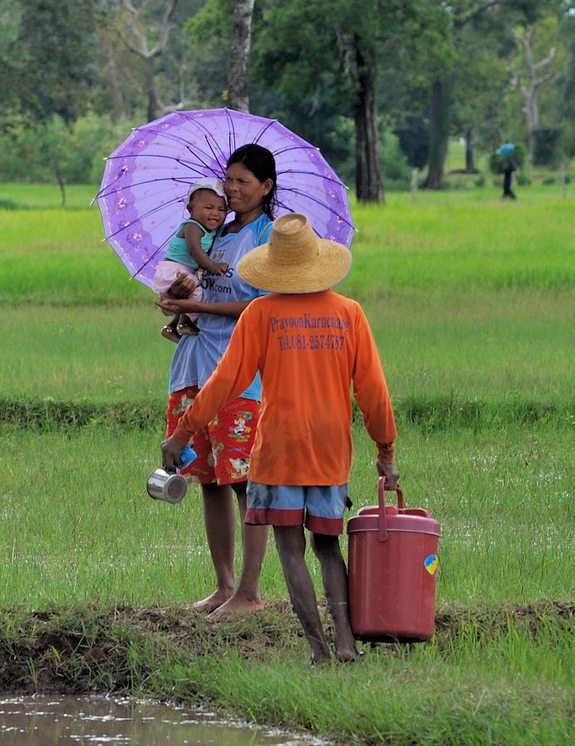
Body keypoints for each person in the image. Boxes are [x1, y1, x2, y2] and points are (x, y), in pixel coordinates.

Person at [160, 212, 400, 664]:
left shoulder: (261, 313)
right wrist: (385, 450)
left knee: (291, 547)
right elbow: (372, 391)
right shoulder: (349, 313)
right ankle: (346, 643)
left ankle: (318, 652)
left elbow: (225, 381)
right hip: (330, 448)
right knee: (327, 545)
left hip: (279, 447)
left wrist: (183, 431)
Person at [154, 144, 276, 622]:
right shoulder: (211, 236)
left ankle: (250, 590)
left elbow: (260, 308)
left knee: (244, 479)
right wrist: (181, 302)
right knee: (208, 480)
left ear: (266, 187)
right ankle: (224, 584)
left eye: (243, 182)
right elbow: (195, 289)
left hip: (241, 373)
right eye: (228, 180)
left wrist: (201, 308)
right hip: (194, 365)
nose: (231, 189)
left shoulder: (269, 241)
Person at [151, 178, 230, 342]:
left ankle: (171, 327)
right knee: (198, 293)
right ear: (191, 209)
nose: (215, 213)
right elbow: (195, 251)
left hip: (182, 270)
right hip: (175, 271)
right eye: (208, 208)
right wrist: (213, 267)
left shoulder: (212, 231)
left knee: (191, 294)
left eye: (222, 209)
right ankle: (184, 322)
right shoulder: (192, 227)